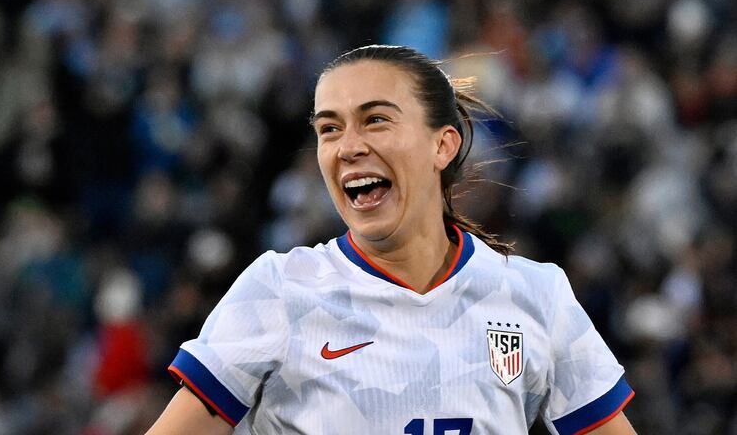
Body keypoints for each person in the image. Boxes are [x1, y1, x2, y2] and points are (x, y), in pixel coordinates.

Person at [146, 45, 636, 435]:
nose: (349, 146)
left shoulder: (537, 296)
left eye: (375, 119)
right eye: (329, 128)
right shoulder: (277, 291)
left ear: (443, 144)